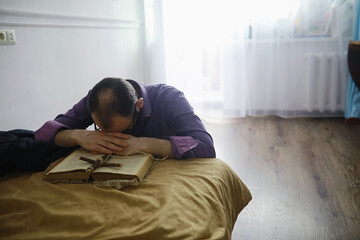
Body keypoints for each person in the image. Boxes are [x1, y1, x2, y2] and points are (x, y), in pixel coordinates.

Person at [35, 77, 216, 159]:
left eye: (124, 130)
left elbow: (206, 146)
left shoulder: (170, 98)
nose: (115, 139)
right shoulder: (94, 100)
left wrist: (144, 144)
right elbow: (43, 133)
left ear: (140, 105)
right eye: (102, 131)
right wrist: (80, 135)